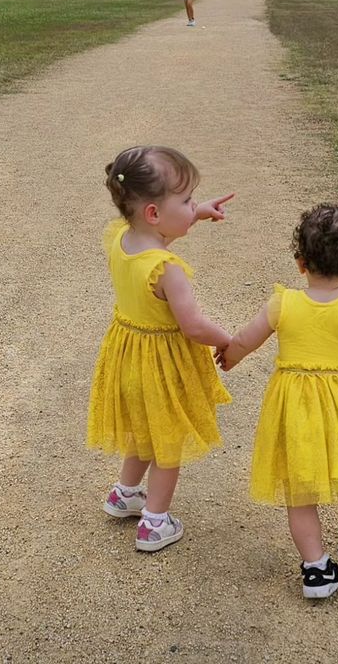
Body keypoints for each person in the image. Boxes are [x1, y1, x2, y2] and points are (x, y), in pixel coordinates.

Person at [217, 203, 338, 599]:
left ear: (301, 263)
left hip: (298, 411)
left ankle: (316, 570)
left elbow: (244, 341)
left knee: (300, 491)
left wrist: (229, 357)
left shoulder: (283, 304)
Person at [87, 145, 234, 552]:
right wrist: (228, 339)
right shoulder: (168, 270)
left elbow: (158, 229)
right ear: (154, 213)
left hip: (127, 357)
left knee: (142, 430)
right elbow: (193, 325)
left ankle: (124, 493)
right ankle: (155, 523)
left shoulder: (120, 239)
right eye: (186, 201)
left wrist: (197, 212)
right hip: (161, 366)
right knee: (168, 443)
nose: (192, 206)